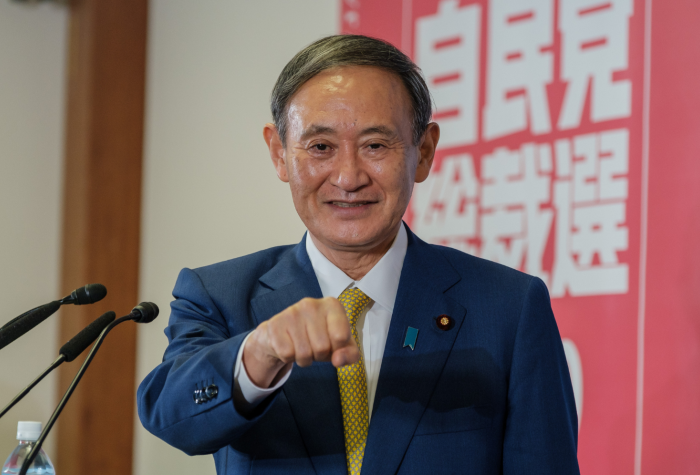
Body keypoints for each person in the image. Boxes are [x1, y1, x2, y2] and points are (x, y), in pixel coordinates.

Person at [137, 35, 580, 474]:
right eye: (321, 147)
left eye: (375, 145)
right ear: (279, 154)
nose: (348, 177)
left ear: (423, 152)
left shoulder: (509, 307)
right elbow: (171, 415)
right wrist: (259, 353)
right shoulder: (220, 295)